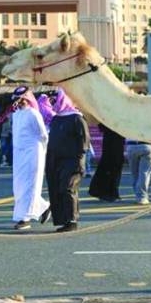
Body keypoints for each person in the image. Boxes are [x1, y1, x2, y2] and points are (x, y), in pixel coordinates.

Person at [45, 89, 88, 232]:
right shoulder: (57, 118)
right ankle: (64, 220)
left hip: (72, 161)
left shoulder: (76, 118)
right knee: (58, 189)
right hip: (56, 161)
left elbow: (84, 141)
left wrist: (79, 160)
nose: (53, 103)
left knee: (68, 188)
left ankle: (72, 220)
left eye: (55, 100)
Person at [10, 86, 50, 231]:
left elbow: (43, 135)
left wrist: (42, 151)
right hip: (19, 154)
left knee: (30, 185)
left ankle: (24, 218)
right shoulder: (16, 115)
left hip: (33, 153)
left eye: (22, 99)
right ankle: (44, 207)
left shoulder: (34, 114)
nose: (19, 102)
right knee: (19, 186)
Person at [88, 123, 125, 203]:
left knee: (111, 169)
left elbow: (101, 127)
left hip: (112, 146)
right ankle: (109, 193)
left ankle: (111, 193)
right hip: (113, 146)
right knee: (112, 169)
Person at [126, 138, 151, 205]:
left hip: (131, 145)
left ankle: (138, 195)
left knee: (135, 173)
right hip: (148, 144)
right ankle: (142, 197)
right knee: (145, 173)